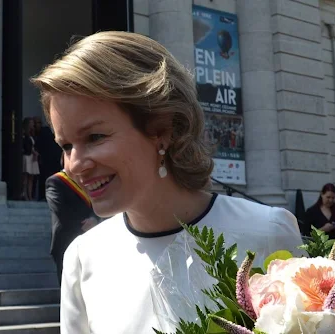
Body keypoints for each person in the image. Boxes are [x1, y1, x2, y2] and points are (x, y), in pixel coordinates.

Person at [31, 31, 303, 333]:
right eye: (66, 146)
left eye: (95, 137)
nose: (75, 165)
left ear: (161, 128)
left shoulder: (268, 232)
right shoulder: (82, 259)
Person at [46, 156, 100, 284]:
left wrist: (95, 219)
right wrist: (85, 224)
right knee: (69, 289)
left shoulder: (87, 181)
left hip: (89, 241)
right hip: (66, 242)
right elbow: (61, 211)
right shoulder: (55, 182)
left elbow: (98, 204)